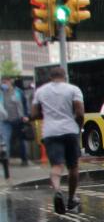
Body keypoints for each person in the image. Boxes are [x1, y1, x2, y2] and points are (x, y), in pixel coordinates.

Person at [30, 67, 84, 214]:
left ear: (51, 77)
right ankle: (72, 198)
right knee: (73, 167)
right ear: (64, 76)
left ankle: (58, 190)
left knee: (56, 166)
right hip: (70, 130)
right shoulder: (73, 89)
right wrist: (79, 127)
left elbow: (33, 114)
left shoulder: (41, 91)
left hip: (50, 132)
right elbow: (79, 112)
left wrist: (48, 114)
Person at [1, 76, 30, 166]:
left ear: (10, 82)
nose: (4, 84)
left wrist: (26, 115)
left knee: (21, 140)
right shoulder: (1, 93)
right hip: (5, 120)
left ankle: (24, 159)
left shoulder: (18, 92)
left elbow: (25, 104)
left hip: (18, 119)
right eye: (2, 82)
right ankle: (6, 160)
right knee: (5, 141)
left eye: (5, 82)